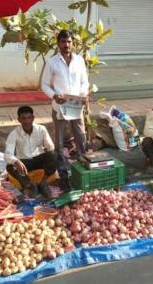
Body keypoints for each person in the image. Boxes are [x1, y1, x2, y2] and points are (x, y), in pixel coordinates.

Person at [41, 29, 89, 191]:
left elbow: (84, 82)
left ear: (73, 43)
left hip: (75, 106)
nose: (66, 45)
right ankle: (63, 174)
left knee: (80, 137)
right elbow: (44, 84)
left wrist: (81, 95)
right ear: (58, 43)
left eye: (69, 42)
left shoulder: (79, 61)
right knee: (60, 141)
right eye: (63, 42)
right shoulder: (52, 62)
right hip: (60, 106)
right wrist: (54, 95)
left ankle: (83, 166)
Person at [4, 106, 57, 199]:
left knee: (54, 155)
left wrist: (47, 150)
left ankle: (43, 183)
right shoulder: (14, 133)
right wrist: (16, 161)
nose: (27, 121)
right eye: (23, 118)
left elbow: (50, 147)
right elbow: (7, 154)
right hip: (24, 162)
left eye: (29, 118)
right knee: (10, 166)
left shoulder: (41, 129)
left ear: (33, 118)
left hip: (38, 159)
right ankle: (31, 185)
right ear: (19, 120)